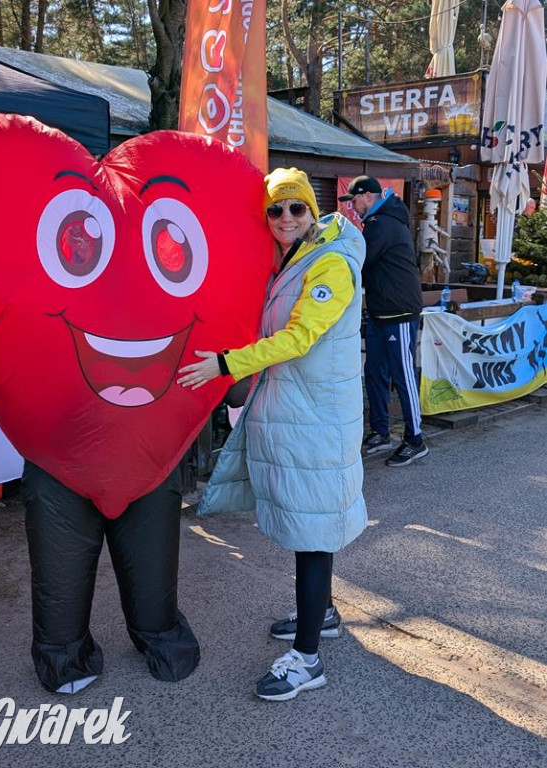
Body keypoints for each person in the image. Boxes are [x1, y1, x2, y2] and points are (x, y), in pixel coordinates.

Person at [177, 167, 367, 701]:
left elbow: (300, 337)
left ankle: (308, 660)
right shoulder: (292, 259)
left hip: (318, 417)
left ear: (313, 212)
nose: (284, 218)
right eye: (275, 210)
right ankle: (321, 614)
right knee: (310, 522)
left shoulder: (329, 262)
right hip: (300, 410)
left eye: (296, 208)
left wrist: (227, 365)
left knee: (311, 531)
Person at [339, 175, 428, 467]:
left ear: (366, 196)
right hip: (379, 311)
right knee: (374, 372)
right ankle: (380, 431)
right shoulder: (380, 222)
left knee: (402, 375)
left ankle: (415, 440)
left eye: (353, 201)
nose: (353, 208)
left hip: (399, 312)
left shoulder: (383, 225)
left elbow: (356, 262)